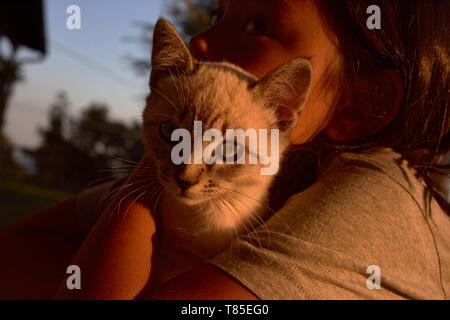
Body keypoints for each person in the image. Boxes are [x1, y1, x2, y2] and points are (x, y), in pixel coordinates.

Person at [0, 0, 448, 299]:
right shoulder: (185, 173)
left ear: (360, 104)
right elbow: (12, 253)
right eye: (217, 12)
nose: (188, 171)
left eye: (258, 25)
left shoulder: (376, 195)